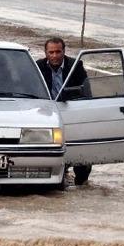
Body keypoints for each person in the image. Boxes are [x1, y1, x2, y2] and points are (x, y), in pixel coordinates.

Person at [35, 37, 92, 185]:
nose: (54, 55)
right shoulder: (38, 67)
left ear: (64, 51)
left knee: (81, 157)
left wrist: (70, 95)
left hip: (71, 113)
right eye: (51, 52)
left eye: (58, 52)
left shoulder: (76, 66)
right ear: (46, 53)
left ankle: (82, 182)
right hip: (47, 116)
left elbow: (86, 92)